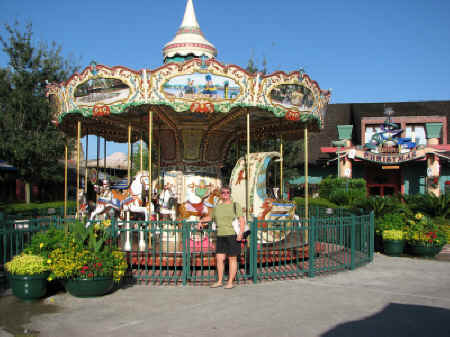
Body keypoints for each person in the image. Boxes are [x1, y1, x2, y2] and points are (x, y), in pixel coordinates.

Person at [199, 186, 245, 289]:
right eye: (223, 192)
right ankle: (220, 281)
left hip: (232, 235)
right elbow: (211, 217)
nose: (225, 194)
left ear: (230, 194)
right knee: (219, 258)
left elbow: (241, 219)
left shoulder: (235, 205)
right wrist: (201, 221)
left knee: (232, 258)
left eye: (227, 192)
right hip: (220, 235)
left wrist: (241, 233)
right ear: (220, 194)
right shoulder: (217, 207)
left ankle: (230, 282)